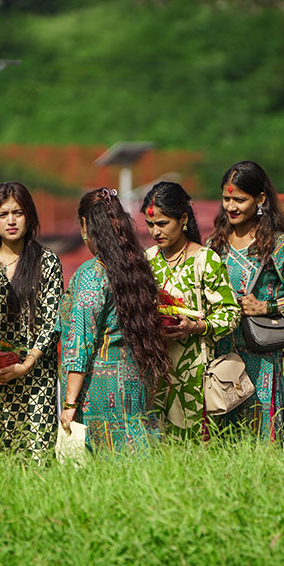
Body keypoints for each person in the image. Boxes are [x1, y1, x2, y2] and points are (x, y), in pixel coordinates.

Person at [206, 162, 284, 441]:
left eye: (240, 200)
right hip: (222, 356)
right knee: (222, 437)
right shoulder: (214, 244)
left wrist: (265, 306)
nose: (231, 206)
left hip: (261, 356)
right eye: (226, 198)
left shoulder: (278, 244)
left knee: (259, 435)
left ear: (261, 200)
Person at [59, 188, 169, 453]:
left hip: (99, 390)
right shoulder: (136, 268)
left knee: (102, 469)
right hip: (136, 381)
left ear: (86, 226)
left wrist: (70, 403)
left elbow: (81, 343)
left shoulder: (92, 273)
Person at [141, 181, 240, 441]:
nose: (155, 232)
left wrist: (195, 326)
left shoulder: (205, 259)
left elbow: (230, 313)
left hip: (196, 374)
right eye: (150, 225)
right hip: (156, 371)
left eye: (162, 224)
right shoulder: (146, 259)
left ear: (183, 218)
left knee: (197, 450)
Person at [0, 181, 63, 462]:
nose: (11, 220)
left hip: (36, 375)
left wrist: (27, 363)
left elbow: (53, 321)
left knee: (37, 457)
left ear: (30, 216)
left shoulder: (47, 261)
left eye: (18, 212)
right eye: (3, 214)